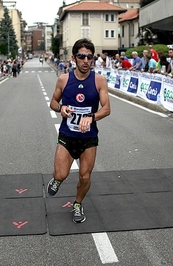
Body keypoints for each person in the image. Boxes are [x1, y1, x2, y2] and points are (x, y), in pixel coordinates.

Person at [48, 38, 111, 223]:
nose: (86, 60)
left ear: (93, 59)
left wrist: (91, 117)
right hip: (67, 135)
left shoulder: (99, 80)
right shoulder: (64, 79)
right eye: (82, 56)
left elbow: (107, 108)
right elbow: (53, 102)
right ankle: (57, 180)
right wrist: (61, 109)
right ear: (74, 58)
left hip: (89, 137)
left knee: (85, 176)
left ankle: (77, 203)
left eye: (89, 57)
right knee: (61, 173)